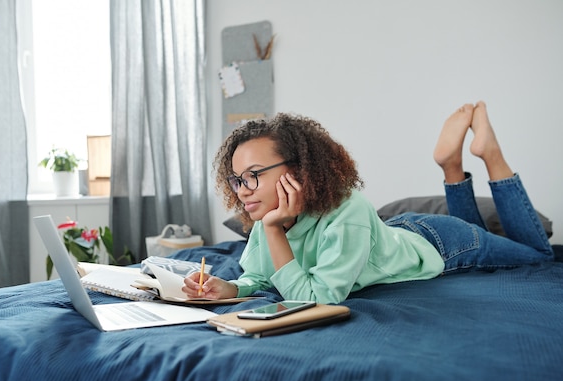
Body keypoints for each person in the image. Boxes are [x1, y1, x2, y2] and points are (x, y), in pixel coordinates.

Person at [182, 102, 554, 304]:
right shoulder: (269, 216)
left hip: (443, 244)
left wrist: (274, 230)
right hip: (396, 234)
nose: (243, 189)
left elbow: (318, 297)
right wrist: (229, 288)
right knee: (492, 234)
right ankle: (453, 168)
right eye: (237, 179)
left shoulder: (346, 211)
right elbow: (260, 277)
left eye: (254, 175)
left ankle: (492, 157)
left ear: (299, 169)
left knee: (539, 255)